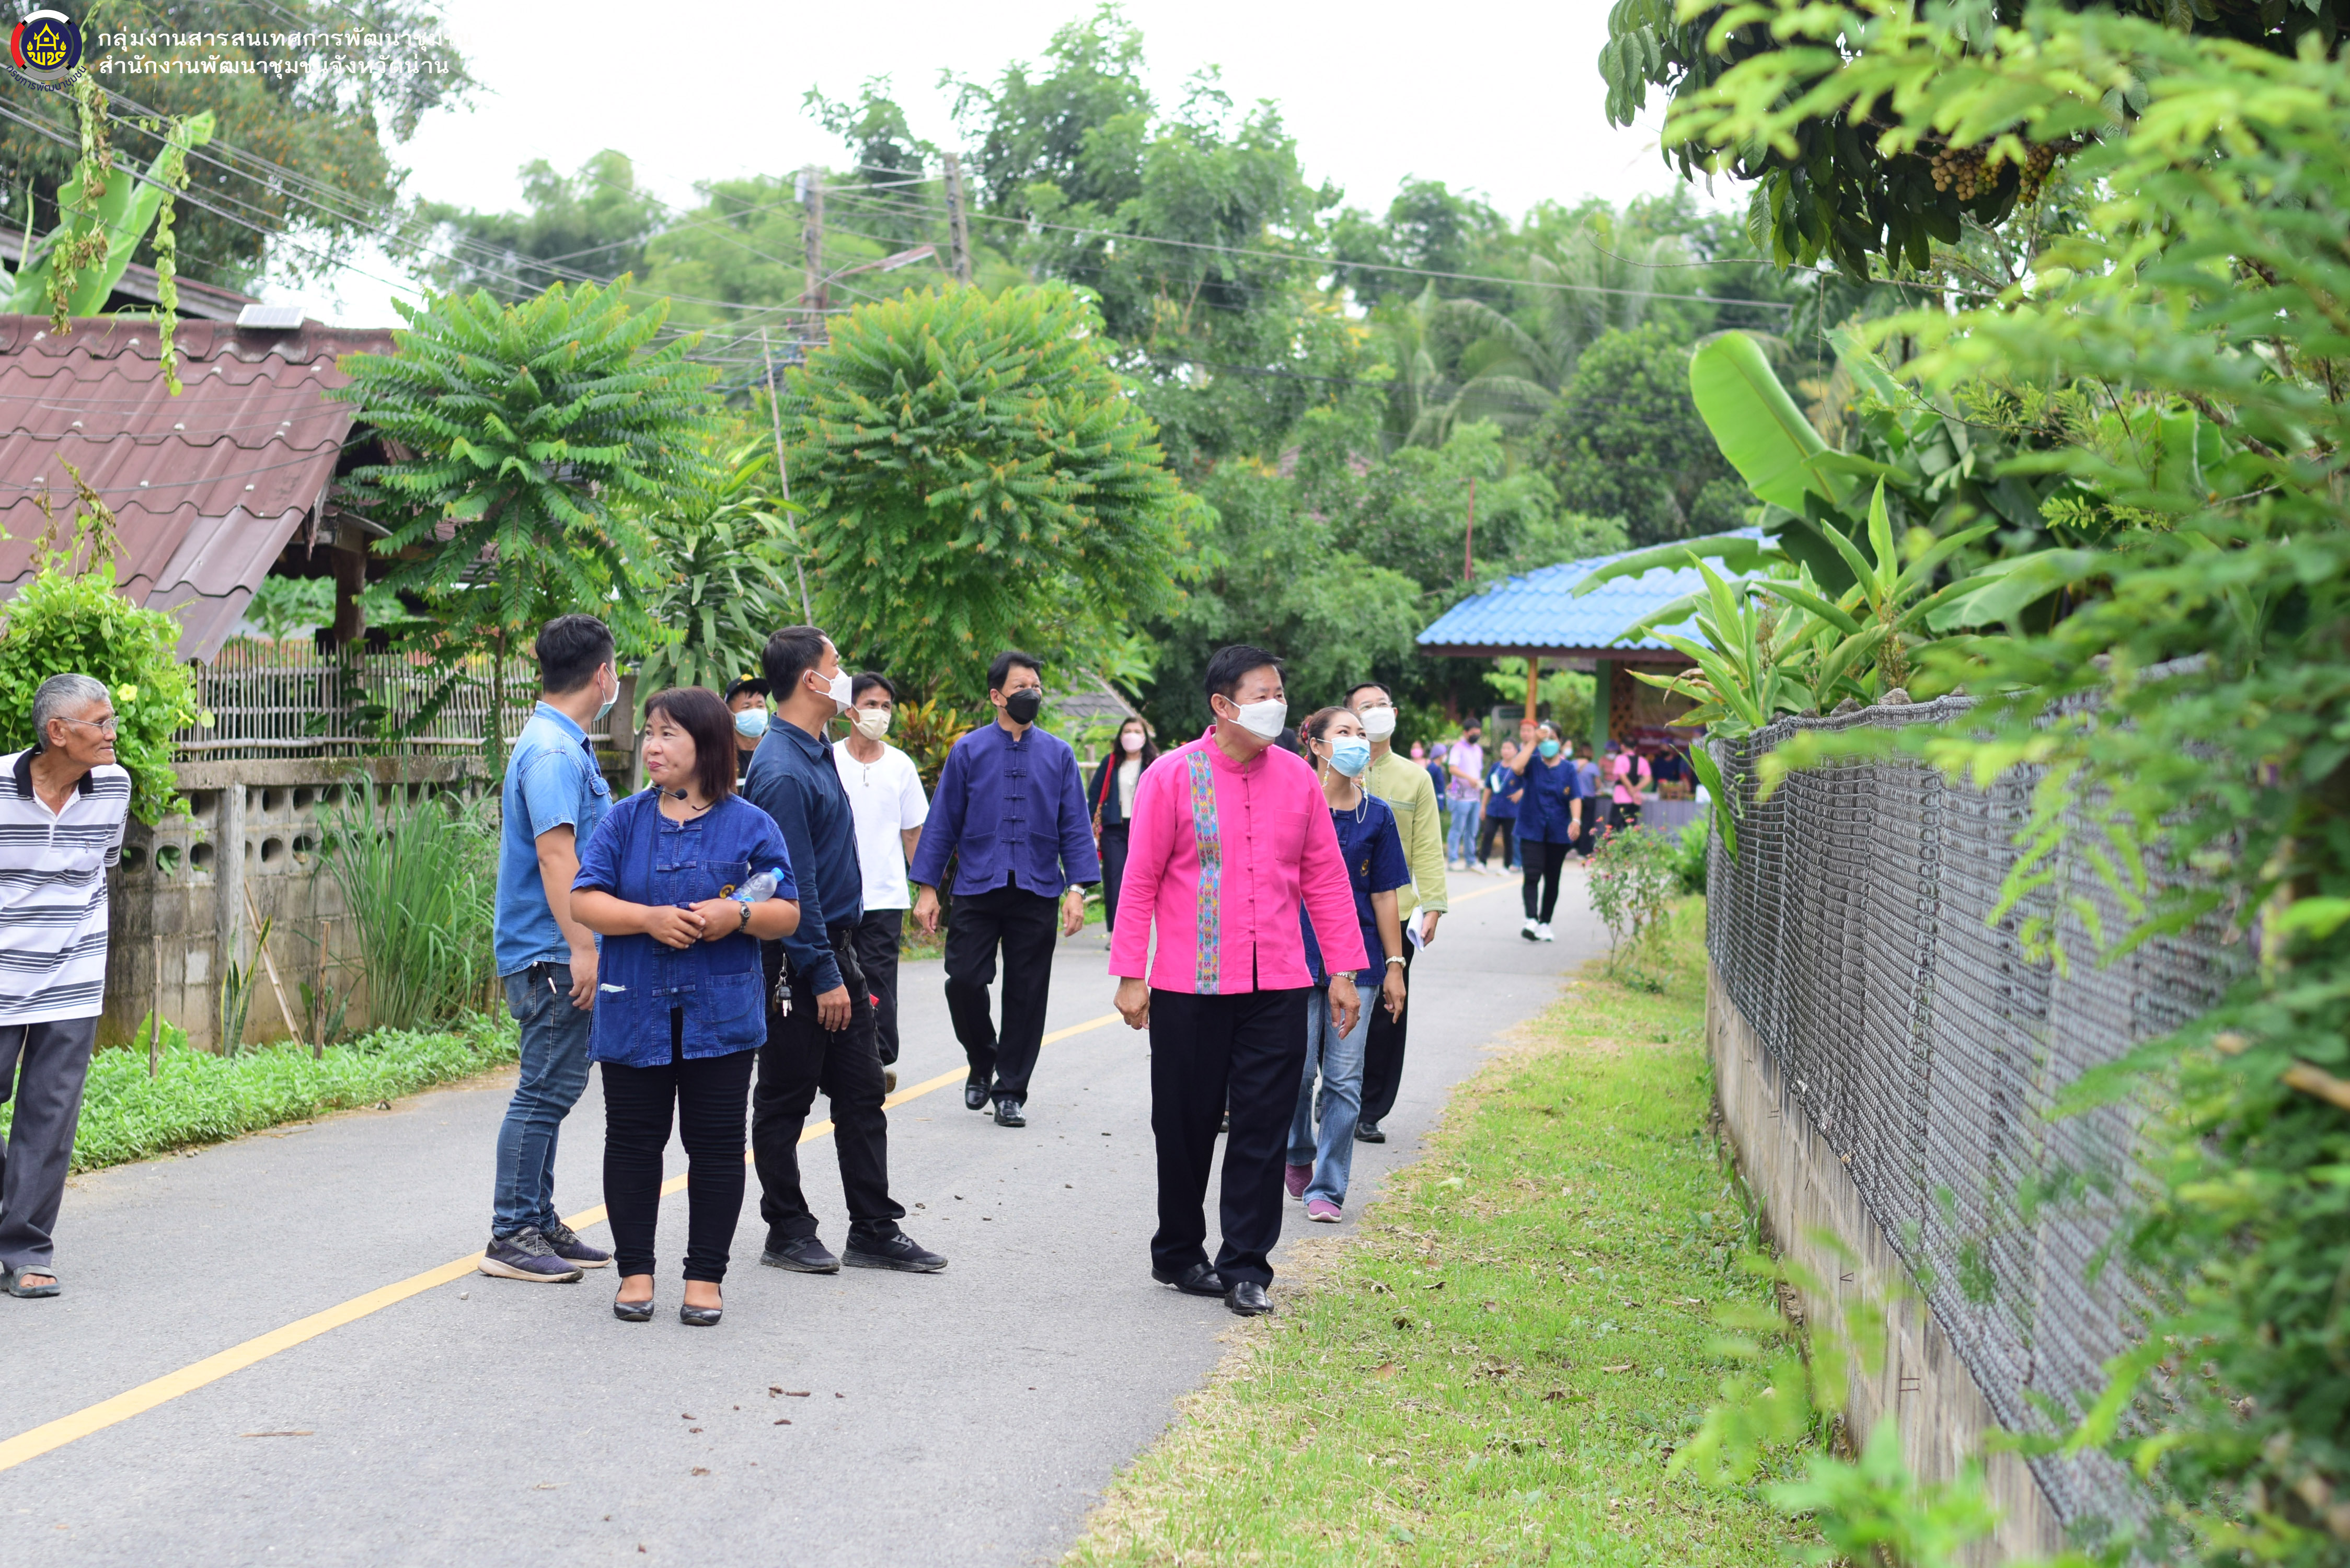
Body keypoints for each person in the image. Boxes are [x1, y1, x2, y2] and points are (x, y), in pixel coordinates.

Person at [1111, 645, 1366, 1317]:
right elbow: (1138, 881)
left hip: (1278, 983)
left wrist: (1343, 970)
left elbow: (1325, 879)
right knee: (1185, 1123)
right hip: (1187, 989)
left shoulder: (1297, 779)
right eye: (1262, 694)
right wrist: (1129, 974)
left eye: (1280, 691)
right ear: (1223, 706)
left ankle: (1246, 1264)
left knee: (1262, 1125)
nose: (1276, 705)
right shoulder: (1170, 776)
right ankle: (1178, 1253)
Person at [570, 687, 800, 1327]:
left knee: (718, 1147)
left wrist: (739, 913)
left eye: (668, 734)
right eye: (649, 732)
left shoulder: (750, 823)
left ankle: (705, 1277)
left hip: (719, 1019)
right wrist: (645, 918)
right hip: (634, 1010)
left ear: (707, 745)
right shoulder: (624, 820)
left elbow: (788, 911)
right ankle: (635, 1273)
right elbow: (583, 901)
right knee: (635, 1143)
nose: (652, 745)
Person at [745, 627, 945, 1276]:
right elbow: (791, 882)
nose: (846, 677)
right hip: (799, 962)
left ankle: (874, 1227)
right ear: (811, 680)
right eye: (836, 666)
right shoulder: (778, 768)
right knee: (784, 1099)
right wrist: (823, 974)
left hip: (840, 949)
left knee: (861, 1092)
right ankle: (787, 1229)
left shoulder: (814, 751)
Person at [480, 615, 619, 1285]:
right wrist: (582, 946)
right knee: (543, 1090)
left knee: (556, 1087)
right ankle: (512, 1232)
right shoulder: (554, 754)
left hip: (552, 946)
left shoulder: (560, 743)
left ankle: (538, 1217)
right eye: (615, 670)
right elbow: (555, 854)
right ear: (601, 675)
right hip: (550, 952)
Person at [909, 650, 1100, 1130]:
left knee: (1028, 993)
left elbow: (1075, 826)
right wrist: (928, 889)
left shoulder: (1058, 753)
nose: (1030, 693)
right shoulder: (968, 751)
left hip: (1036, 889)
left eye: (1035, 685)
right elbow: (942, 823)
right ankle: (982, 1055)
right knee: (965, 981)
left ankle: (1010, 1090)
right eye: (1020, 686)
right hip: (977, 885)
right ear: (996, 696)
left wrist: (1076, 888)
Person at [0, 674, 130, 1299]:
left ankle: (26, 1248)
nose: (112, 734)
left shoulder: (115, 786)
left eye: (111, 722)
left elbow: (100, 865)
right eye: (99, 724)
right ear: (58, 733)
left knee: (49, 1118)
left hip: (73, 978)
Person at [1286, 707, 1410, 1225]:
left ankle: (1329, 1186)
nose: (1357, 741)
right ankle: (1296, 1149)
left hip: (1355, 964)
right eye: (1344, 732)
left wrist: (1394, 965)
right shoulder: (1289, 805)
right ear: (1315, 745)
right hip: (1290, 958)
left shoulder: (1376, 816)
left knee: (1342, 1079)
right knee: (1295, 1074)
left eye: (1361, 733)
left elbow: (1384, 895)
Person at [1344, 682, 1447, 1145]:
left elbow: (1427, 845)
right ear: (1348, 717)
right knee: (1333, 1002)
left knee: (1389, 1011)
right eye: (1366, 707)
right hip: (1340, 911)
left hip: (1397, 913)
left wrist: (1435, 904)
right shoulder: (1334, 771)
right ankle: (1335, 1092)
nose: (1376, 712)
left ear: (1395, 713)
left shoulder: (1416, 778)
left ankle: (1371, 1108)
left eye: (1382, 705)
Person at [833, 672, 928, 1094]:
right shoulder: (827, 758)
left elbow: (914, 833)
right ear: (850, 710)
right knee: (834, 977)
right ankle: (835, 1059)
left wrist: (926, 890)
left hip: (886, 896)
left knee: (877, 980)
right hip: (835, 895)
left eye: (887, 706)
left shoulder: (900, 765)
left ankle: (876, 1060)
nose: (880, 713)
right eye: (872, 704)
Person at [1510, 719, 1587, 942]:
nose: (1548, 743)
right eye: (1545, 739)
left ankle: (1545, 923)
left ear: (1560, 742)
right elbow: (1516, 768)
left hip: (1558, 830)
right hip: (1531, 827)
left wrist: (1576, 821)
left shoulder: (1569, 769)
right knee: (1532, 874)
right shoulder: (1532, 762)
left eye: (1552, 739)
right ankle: (1531, 920)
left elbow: (1575, 796)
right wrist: (1534, 740)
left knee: (1553, 879)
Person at [1088, 716, 1157, 944]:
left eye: (1137, 731)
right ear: (1120, 736)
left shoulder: (1153, 764)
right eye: (1127, 731)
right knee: (1115, 880)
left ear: (1145, 737)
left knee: (1144, 881)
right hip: (1114, 829)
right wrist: (1092, 826)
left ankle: (1138, 933)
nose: (1132, 735)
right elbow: (1095, 794)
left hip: (1144, 829)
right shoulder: (1111, 762)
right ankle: (1115, 934)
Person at [1444, 721, 1484, 871]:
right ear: (1466, 732)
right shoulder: (1458, 748)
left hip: (1475, 796)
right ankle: (1453, 859)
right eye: (1473, 732)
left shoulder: (1478, 749)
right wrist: (1469, 779)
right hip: (1461, 796)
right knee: (1458, 828)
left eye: (1478, 732)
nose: (1476, 735)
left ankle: (1471, 859)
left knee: (1472, 830)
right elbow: (1453, 768)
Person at [1479, 740, 1523, 871]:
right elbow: (1488, 787)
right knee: (1488, 834)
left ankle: (1507, 865)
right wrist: (1483, 806)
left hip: (1511, 810)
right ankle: (1482, 862)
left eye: (1509, 748)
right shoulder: (1496, 767)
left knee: (1509, 838)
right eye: (1504, 748)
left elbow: (1527, 784)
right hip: (1494, 808)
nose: (1506, 751)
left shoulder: (1518, 768)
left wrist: (1520, 793)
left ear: (1516, 751)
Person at [724, 676, 769, 782]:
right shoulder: (723, 756)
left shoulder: (775, 751)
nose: (755, 712)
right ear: (730, 714)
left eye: (760, 706)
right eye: (746, 707)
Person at [1609, 741, 1653, 832]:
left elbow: (1623, 777)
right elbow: (1648, 779)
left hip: (1620, 798)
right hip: (1635, 799)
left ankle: (1613, 846)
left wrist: (1631, 790)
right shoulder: (1642, 760)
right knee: (1631, 829)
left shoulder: (1620, 759)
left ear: (1622, 746)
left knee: (1614, 828)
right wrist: (1635, 790)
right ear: (1635, 748)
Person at [1574, 744, 1604, 857]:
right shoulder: (1593, 767)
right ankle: (1584, 851)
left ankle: (1573, 847)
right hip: (1589, 798)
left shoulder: (1572, 765)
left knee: (1576, 822)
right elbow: (1598, 784)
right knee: (1587, 824)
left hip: (1575, 798)